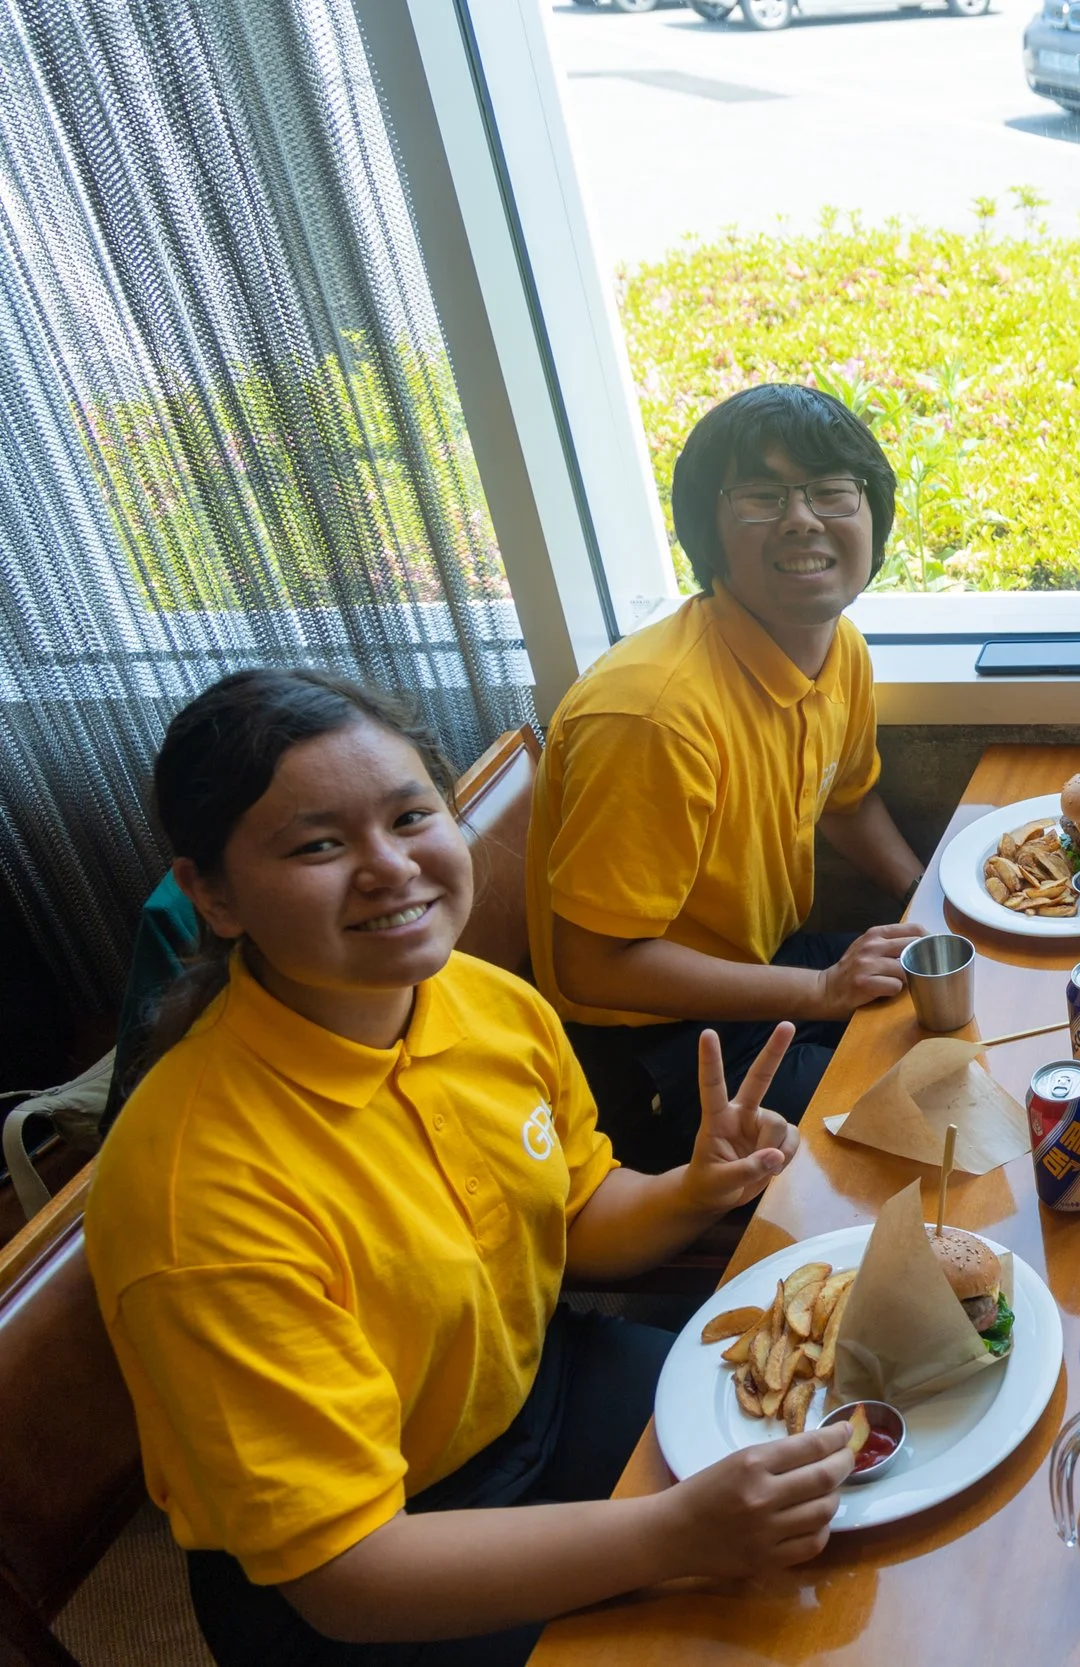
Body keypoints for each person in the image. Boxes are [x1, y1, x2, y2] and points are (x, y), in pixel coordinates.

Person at [88, 669, 857, 1666]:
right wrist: (671, 1534)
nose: (389, 867)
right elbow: (343, 1574)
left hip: (543, 1391)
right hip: (381, 1565)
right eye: (318, 844)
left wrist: (693, 1187)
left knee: (849, 1500)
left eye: (411, 816)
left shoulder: (482, 999)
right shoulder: (197, 1191)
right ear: (213, 895)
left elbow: (578, 1213)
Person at [528, 383, 926, 1171]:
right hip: (652, 1052)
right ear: (707, 532)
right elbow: (593, 965)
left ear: (873, 516)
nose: (802, 518)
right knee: (923, 1124)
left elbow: (846, 801)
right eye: (761, 497)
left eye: (831, 491)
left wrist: (933, 903)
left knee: (961, 1006)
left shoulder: (835, 644)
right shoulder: (653, 715)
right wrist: (823, 991)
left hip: (762, 968)